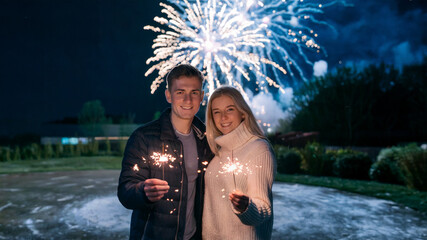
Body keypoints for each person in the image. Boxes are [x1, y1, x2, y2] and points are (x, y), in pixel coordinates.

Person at [118, 64, 213, 240]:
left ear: (201, 96)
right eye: (180, 92)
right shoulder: (144, 137)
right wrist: (142, 191)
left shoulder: (206, 140)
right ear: (168, 95)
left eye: (194, 92)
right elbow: (125, 191)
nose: (188, 99)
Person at [202, 86, 276, 240]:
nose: (223, 117)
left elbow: (264, 208)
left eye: (229, 109)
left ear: (242, 112)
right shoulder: (218, 154)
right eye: (216, 112)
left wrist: (246, 208)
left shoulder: (258, 149)